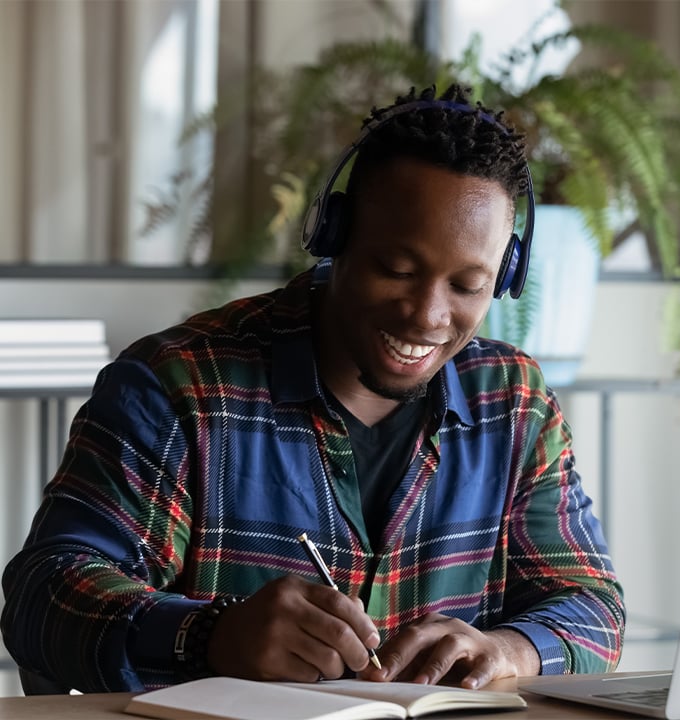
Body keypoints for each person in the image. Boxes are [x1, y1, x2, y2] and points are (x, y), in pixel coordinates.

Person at [1, 83, 624, 694]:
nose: (428, 317)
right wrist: (208, 635)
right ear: (335, 236)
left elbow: (593, 607)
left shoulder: (514, 403)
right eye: (397, 270)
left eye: (467, 285)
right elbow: (45, 597)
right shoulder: (178, 387)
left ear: (505, 276)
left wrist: (508, 651)